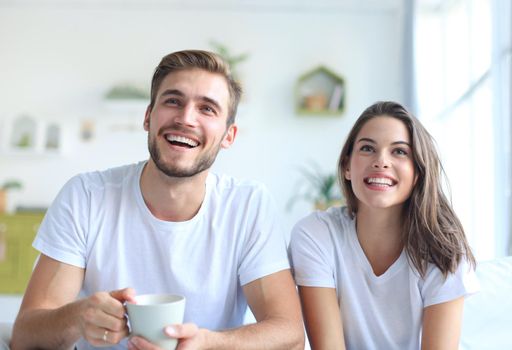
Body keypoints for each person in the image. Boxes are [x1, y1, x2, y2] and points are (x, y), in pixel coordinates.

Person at [11, 50, 304, 350]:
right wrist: (78, 316)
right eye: (173, 101)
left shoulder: (248, 206)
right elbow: (24, 337)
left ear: (229, 135)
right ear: (148, 117)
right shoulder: (85, 197)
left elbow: (289, 333)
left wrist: (206, 344)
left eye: (207, 109)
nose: (185, 118)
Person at [289, 101, 479, 350]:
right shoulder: (315, 235)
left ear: (417, 172)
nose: (381, 161)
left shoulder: (443, 250)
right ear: (347, 166)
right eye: (367, 148)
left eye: (399, 151)